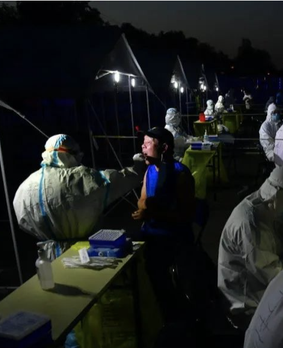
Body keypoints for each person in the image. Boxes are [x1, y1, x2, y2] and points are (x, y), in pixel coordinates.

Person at [13, 134, 146, 260]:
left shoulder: (26, 185)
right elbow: (118, 180)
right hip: (84, 252)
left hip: (47, 256)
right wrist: (138, 166)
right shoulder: (82, 178)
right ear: (69, 154)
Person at [217, 165, 283, 328]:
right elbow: (274, 274)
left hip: (255, 285)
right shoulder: (251, 225)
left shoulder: (264, 207)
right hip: (246, 304)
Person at [131, 127, 196, 321]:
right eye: (143, 143)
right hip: (152, 232)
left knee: (153, 269)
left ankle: (172, 315)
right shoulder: (150, 170)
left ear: (165, 147)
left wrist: (151, 211)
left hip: (173, 237)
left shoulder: (180, 175)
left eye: (148, 143)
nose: (143, 147)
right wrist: (147, 207)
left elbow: (185, 215)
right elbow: (141, 200)